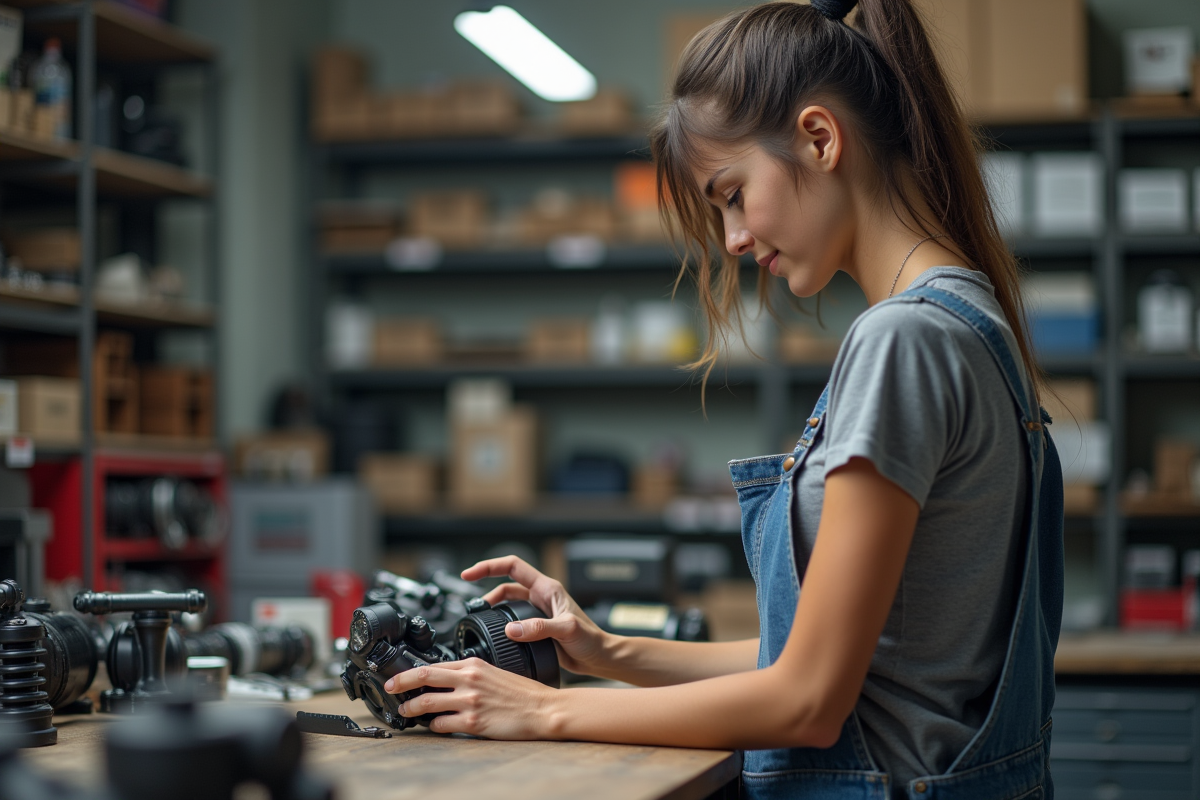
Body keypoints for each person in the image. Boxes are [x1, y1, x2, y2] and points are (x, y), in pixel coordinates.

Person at [385, 1, 1065, 797]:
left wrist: (542, 711)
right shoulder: (972, 318)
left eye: (734, 193)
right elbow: (823, 660)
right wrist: (607, 652)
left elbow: (807, 701)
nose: (734, 238)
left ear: (820, 139)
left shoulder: (902, 340)